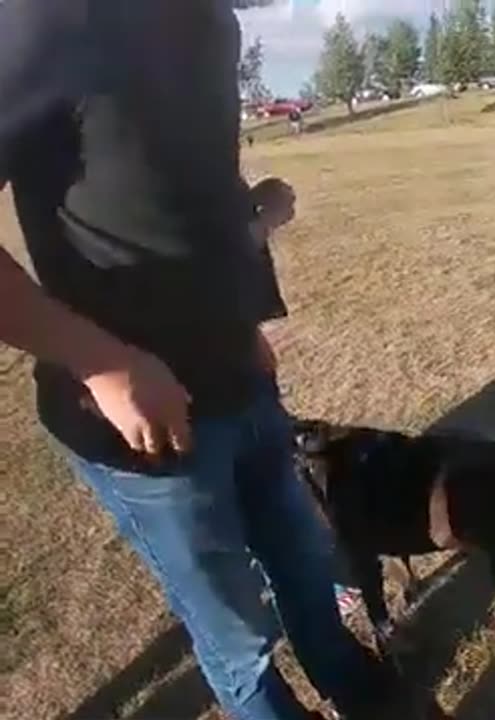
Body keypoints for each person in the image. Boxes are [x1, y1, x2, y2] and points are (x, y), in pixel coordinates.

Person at [0, 3, 391, 719]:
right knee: (238, 634)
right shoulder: (46, 18)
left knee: (306, 567)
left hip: (244, 386)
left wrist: (247, 310)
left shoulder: (213, 22)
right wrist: (103, 364)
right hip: (144, 425)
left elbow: (185, 192)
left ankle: (359, 691)